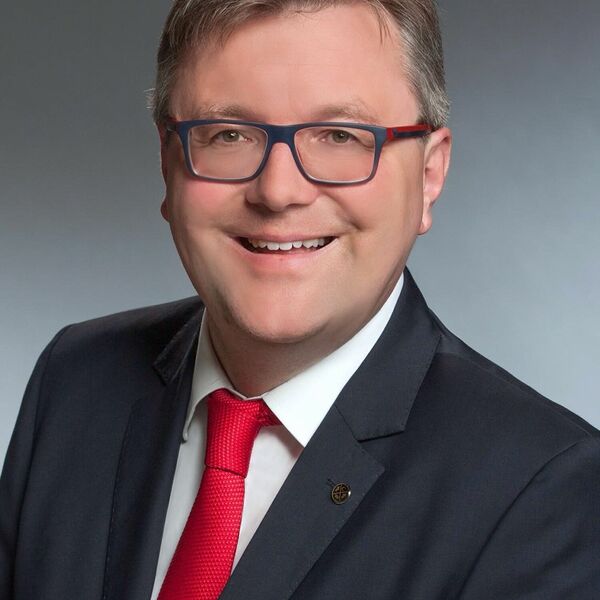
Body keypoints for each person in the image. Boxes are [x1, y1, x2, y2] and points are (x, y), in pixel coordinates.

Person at [1, 0, 599, 598]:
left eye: (339, 136)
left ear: (428, 174)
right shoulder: (75, 380)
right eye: (229, 135)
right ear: (168, 162)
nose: (278, 191)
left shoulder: (543, 489)